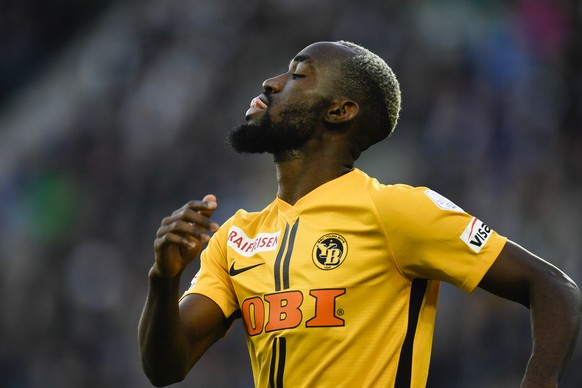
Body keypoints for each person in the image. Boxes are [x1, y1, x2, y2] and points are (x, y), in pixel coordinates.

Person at [138, 41, 581, 387]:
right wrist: (164, 279)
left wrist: (540, 381)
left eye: (297, 74)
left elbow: (553, 287)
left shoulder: (395, 210)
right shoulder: (235, 237)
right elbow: (166, 368)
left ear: (340, 110)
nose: (271, 83)